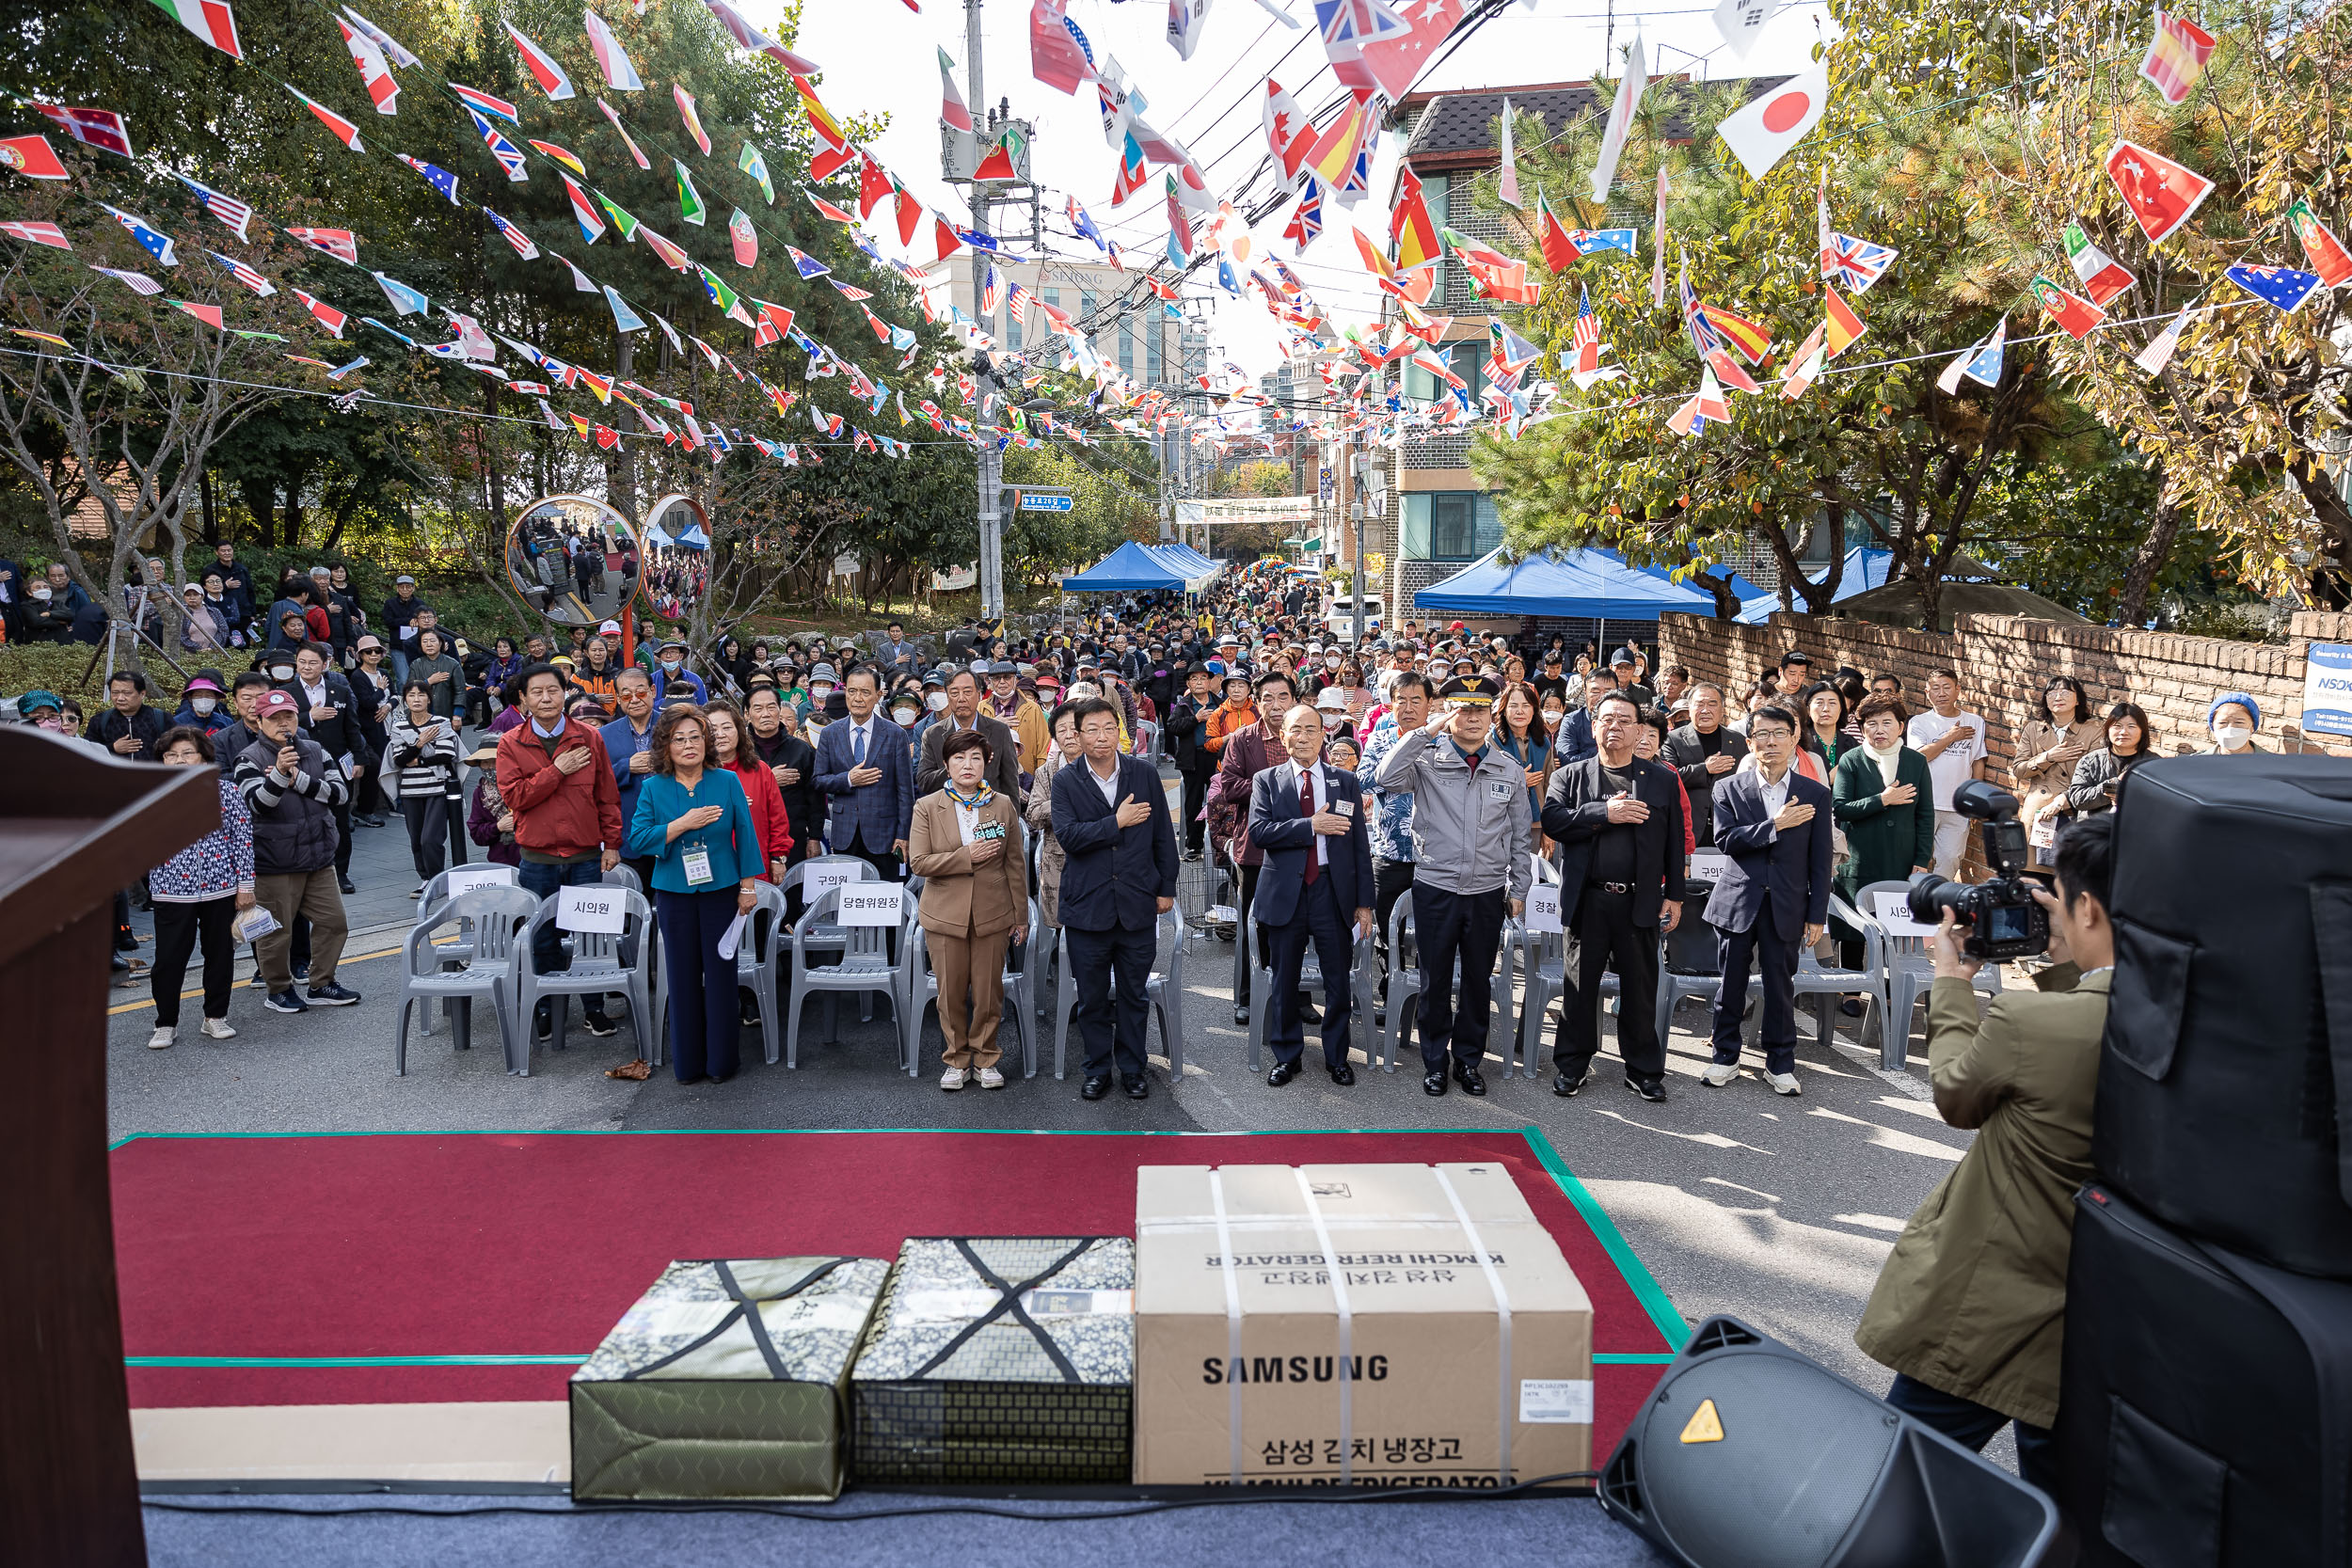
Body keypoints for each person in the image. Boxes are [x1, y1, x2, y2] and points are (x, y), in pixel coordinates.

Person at [1854, 814, 2115, 1496]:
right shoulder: (2185, 1016)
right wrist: (2067, 963)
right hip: (2103, 1315)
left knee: (1899, 1481)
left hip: (1998, 1296)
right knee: (2066, 1507)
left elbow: (1955, 1094)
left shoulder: (2031, 1023)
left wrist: (1952, 980)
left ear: (2085, 905)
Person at [1373, 675, 1531, 1098]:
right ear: (1449, 712)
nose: (1473, 716)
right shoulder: (1426, 760)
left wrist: (1519, 888)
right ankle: (1435, 1061)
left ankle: (1469, 1061)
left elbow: (1519, 836)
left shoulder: (1508, 769)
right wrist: (1426, 730)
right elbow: (1385, 778)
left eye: (1481, 708)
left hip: (1485, 892)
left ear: (1491, 713)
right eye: (1463, 707)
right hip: (1436, 887)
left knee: (1478, 980)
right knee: (1435, 979)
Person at [1544, 692, 1686, 1101]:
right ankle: (1573, 1064)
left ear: (1641, 730)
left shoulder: (1660, 778)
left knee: (1641, 989)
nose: (1615, 727)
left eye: (1625, 720)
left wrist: (1674, 894)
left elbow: (1675, 842)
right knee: (1579, 986)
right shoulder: (1570, 775)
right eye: (1606, 719)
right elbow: (1554, 821)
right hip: (1588, 900)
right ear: (1593, 726)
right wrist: (1602, 813)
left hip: (1639, 901)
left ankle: (1643, 1070)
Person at [1051, 695, 1180, 1102]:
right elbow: (1069, 838)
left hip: (1138, 903)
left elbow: (1163, 836)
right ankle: (1096, 1069)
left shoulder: (1142, 774)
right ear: (1077, 734)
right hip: (1087, 907)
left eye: (1109, 727)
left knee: (1133, 994)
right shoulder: (1066, 781)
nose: (1101, 737)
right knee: (1091, 999)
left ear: (1120, 731)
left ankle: (1133, 1068)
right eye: (1092, 729)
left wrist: (1166, 888)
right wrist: (1116, 822)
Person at [1701, 703, 1834, 1096]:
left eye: (1779, 733)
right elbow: (1726, 841)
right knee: (1731, 984)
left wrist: (1817, 914)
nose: (1770, 741)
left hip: (1788, 904)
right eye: (1762, 734)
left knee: (1780, 985)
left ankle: (1780, 1063)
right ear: (1749, 741)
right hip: (1739, 901)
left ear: (1795, 738)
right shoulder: (1728, 787)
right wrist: (1774, 825)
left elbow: (1820, 858)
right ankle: (1725, 1056)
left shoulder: (1814, 793)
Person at [625, 705, 761, 1085]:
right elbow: (636, 840)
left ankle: (722, 1063)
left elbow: (746, 837)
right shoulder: (653, 787)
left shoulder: (727, 781)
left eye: (696, 737)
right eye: (679, 739)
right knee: (682, 978)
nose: (689, 745)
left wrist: (748, 886)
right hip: (674, 894)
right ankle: (688, 1064)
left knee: (721, 975)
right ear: (665, 746)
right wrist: (680, 825)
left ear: (707, 742)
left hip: (722, 891)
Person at [496, 662, 626, 1041]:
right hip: (538, 859)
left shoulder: (588, 737)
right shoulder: (511, 743)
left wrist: (612, 843)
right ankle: (547, 1007)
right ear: (524, 699)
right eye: (536, 692)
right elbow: (516, 797)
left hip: (586, 855)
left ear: (564, 693)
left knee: (592, 934)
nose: (545, 697)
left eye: (552, 690)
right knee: (543, 937)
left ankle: (594, 1009)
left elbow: (607, 795)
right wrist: (557, 769)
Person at [1249, 705, 1376, 1088]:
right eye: (1295, 730)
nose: (1303, 737)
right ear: (1283, 735)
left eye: (1311, 730)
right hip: (1285, 891)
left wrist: (1364, 902)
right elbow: (1260, 832)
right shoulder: (1266, 780)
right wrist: (1310, 826)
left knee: (1338, 979)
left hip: (1331, 890)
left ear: (1325, 735)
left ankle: (1338, 1056)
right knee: (1284, 979)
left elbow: (1358, 845)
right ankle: (1287, 1056)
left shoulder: (1344, 782)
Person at [909, 728, 1029, 1091]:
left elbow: (1015, 863)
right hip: (944, 913)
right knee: (950, 992)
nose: (967, 765)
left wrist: (1020, 915)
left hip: (992, 911)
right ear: (946, 764)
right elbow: (919, 862)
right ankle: (957, 1059)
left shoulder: (1002, 804)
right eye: (959, 758)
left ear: (986, 763)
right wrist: (966, 857)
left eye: (975, 758)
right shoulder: (928, 806)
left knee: (989, 992)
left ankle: (987, 1056)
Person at [233, 689, 358, 1013]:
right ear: (258, 721)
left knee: (334, 922)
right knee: (276, 933)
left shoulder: (316, 750)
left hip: (319, 856)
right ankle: (279, 990)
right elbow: (258, 804)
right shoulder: (247, 758)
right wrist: (277, 774)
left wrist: (299, 780)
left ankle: (321, 983)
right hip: (275, 861)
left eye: (288, 716)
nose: (283, 723)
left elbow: (341, 794)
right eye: (274, 718)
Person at [146, 726, 254, 1049]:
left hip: (221, 887)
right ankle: (165, 1023)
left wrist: (245, 885)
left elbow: (242, 840)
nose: (179, 760)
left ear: (204, 758)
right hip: (170, 889)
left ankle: (215, 1017)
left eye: (187, 753)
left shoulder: (226, 792)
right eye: (170, 755)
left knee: (219, 954)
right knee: (168, 959)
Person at [1205, 670, 1301, 1028]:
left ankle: (1298, 995)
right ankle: (1247, 996)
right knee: (1254, 923)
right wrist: (1278, 787)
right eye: (1268, 699)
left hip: (1301, 843)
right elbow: (1229, 787)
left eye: (1283, 698)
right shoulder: (1243, 739)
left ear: (1294, 700)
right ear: (1256, 702)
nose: (1276, 706)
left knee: (1298, 924)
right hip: (1256, 845)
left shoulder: (1306, 733)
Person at [1832, 692, 1935, 973]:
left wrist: (1922, 859)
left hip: (1901, 858)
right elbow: (1841, 808)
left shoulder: (1915, 761)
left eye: (1887, 723)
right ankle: (1851, 988)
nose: (1879, 730)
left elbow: (1925, 814)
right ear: (1862, 727)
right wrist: (1883, 800)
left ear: (1901, 727)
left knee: (1896, 926)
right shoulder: (1852, 760)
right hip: (1858, 857)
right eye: (1872, 723)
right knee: (1854, 926)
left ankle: (1892, 985)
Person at [814, 665, 914, 882]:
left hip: (885, 835)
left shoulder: (895, 734)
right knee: (847, 899)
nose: (857, 698)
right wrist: (849, 779)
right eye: (852, 691)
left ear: (878, 695)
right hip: (845, 834)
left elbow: (905, 791)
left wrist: (902, 835)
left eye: (865, 692)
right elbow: (818, 780)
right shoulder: (830, 733)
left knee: (883, 898)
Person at [293, 641, 369, 894]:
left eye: (313, 662)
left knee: (339, 819)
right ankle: (308, 872)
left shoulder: (340, 691)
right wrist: (309, 718)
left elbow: (352, 727)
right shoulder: (286, 692)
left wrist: (359, 759)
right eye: (302, 661)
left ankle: (341, 872)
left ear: (324, 664)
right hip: (300, 764)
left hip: (337, 764)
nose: (307, 666)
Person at [1907, 669, 1987, 878]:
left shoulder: (1975, 722)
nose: (1941, 693)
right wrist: (1950, 737)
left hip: (1957, 807)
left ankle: (1937, 903)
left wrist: (1975, 799)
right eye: (1935, 688)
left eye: (1946, 687)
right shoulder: (1918, 722)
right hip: (1924, 804)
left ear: (1957, 690)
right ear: (1927, 692)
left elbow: (1978, 762)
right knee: (1916, 859)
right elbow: (1919, 757)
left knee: (1951, 859)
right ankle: (1908, 901)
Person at [389, 678, 468, 889]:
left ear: (429, 699)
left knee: (430, 839)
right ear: (405, 700)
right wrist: (421, 742)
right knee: (416, 839)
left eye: (421, 695)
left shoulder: (441, 722)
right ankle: (425, 879)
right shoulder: (398, 726)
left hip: (437, 788)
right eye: (411, 695)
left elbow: (446, 754)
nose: (416, 699)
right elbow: (399, 759)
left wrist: (417, 757)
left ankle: (436, 879)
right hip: (409, 790)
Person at [2013, 675, 2101, 863]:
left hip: (2073, 809)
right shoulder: (2033, 729)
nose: (2057, 697)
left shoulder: (2094, 731)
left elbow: (2096, 777)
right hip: (2039, 811)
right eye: (2051, 692)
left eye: (2065, 692)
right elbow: (2019, 770)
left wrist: (2064, 800)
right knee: (2032, 876)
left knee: (2065, 877)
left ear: (2078, 699)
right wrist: (2048, 757)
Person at [705, 700, 792, 881]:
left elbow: (778, 819)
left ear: (739, 730)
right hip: (710, 869)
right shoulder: (695, 773)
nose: (720, 735)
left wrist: (778, 858)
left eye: (727, 727)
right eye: (712, 730)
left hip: (755, 864)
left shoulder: (759, 770)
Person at [1662, 684, 1748, 848]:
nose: (1705, 710)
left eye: (1712, 704)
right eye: (1699, 704)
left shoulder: (1738, 741)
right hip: (1688, 826)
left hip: (1728, 824)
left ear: (1722, 709)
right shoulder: (1673, 739)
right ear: (1690, 708)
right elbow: (1668, 778)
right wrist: (1705, 769)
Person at [916, 669, 1022, 800]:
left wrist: (1011, 817)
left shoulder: (999, 731)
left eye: (967, 692)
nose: (961, 699)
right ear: (948, 697)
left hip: (990, 814)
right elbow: (924, 782)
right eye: (954, 693)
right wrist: (953, 767)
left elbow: (1010, 784)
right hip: (948, 814)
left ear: (980, 694)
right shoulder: (932, 734)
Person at [1026, 705, 1082, 936]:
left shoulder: (1102, 767)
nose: (1069, 735)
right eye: (1062, 730)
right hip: (1058, 860)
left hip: (1097, 854)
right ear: (1055, 738)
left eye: (1074, 728)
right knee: (1062, 925)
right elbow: (1034, 815)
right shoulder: (1046, 772)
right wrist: (1065, 801)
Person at [1164, 663, 1217, 860]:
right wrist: (1195, 719)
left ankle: (1219, 843)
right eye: (1194, 679)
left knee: (1219, 800)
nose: (1199, 682)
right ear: (1188, 683)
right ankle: (1194, 846)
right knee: (1193, 803)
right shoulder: (1184, 704)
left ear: (1209, 681)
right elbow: (1173, 726)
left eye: (1203, 678)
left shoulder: (1220, 702)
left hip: (1215, 757)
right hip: (1192, 759)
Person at [2063, 703, 2153, 819]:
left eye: (2131, 726)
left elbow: (2164, 802)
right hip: (2093, 831)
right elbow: (2078, 799)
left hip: (2133, 831)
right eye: (2117, 726)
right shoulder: (2091, 761)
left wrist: (2128, 798)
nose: (2123, 732)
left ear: (2142, 731)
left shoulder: (2154, 764)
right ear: (2108, 729)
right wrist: (2112, 787)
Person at [1492, 681, 1551, 832]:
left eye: (1526, 706)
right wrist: (1519, 781)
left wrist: (1549, 829)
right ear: (1503, 710)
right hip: (1500, 823)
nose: (1520, 711)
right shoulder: (1491, 742)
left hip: (1538, 823)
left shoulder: (1543, 743)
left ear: (1534, 710)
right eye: (1513, 706)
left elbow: (1550, 787)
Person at [984, 660, 1049, 778]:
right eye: (997, 678)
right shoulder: (981, 707)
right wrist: (993, 726)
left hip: (1025, 775)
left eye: (1007, 677)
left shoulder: (1032, 708)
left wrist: (1040, 778)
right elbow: (973, 741)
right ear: (991, 682)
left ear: (1015, 680)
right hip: (990, 774)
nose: (1002, 682)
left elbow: (1043, 747)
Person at [89, 670, 169, 761]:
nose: (120, 698)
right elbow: (86, 752)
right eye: (115, 693)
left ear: (142, 694)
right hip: (112, 774)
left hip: (151, 774)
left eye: (127, 693)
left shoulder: (161, 718)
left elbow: (177, 749)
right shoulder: (99, 721)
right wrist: (112, 748)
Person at [465, 742, 520, 867]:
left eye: (494, 761)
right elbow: (476, 833)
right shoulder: (481, 793)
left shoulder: (524, 784)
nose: (490, 767)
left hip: (534, 858)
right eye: (484, 762)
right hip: (502, 861)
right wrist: (498, 827)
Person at [1555, 669, 1618, 765]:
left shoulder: (1625, 721)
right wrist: (1602, 748)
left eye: (1608, 692)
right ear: (1585, 691)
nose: (1602, 697)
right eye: (1595, 691)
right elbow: (1567, 760)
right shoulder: (1572, 721)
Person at [407, 627, 463, 721]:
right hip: (421, 716)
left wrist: (457, 715)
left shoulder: (453, 664)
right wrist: (428, 682)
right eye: (424, 641)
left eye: (432, 641)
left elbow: (460, 692)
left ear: (440, 643)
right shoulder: (416, 664)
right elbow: (410, 689)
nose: (429, 644)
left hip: (447, 714)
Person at [2203, 690, 2264, 754]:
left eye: (2239, 722)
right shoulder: (2198, 762)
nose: (2230, 728)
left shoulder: (2271, 762)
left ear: (2252, 727)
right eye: (2223, 723)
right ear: (2212, 725)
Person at [651, 640, 708, 705]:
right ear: (660, 656)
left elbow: (703, 706)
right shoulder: (652, 679)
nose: (668, 656)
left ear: (680, 656)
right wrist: (665, 701)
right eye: (664, 652)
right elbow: (648, 706)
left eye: (673, 652)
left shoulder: (694, 679)